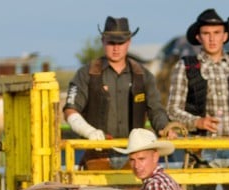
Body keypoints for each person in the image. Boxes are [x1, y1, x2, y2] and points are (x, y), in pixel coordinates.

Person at [166, 8, 229, 190]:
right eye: (206, 33)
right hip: (202, 148)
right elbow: (173, 110)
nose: (212, 38)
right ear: (199, 37)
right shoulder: (186, 66)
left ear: (225, 36)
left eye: (216, 33)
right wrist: (197, 122)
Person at [63, 16, 171, 170]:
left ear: (129, 42)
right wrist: (89, 132)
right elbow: (70, 110)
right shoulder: (85, 73)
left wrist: (164, 128)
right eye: (111, 42)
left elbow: (156, 109)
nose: (116, 48)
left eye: (120, 43)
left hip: (133, 155)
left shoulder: (144, 76)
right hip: (97, 155)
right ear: (103, 41)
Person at [115, 128, 185, 190]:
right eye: (132, 160)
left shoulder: (155, 185)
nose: (136, 165)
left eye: (141, 159)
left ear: (155, 157)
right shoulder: (163, 180)